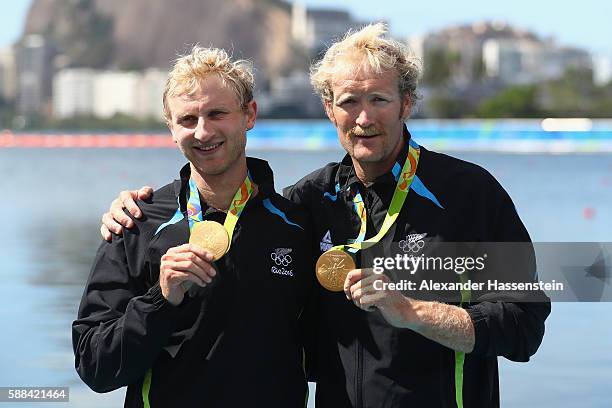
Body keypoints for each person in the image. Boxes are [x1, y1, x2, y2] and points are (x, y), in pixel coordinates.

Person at [100, 24, 550, 408]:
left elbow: (524, 326)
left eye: (380, 99)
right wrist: (137, 211)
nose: (364, 117)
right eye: (350, 101)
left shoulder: (470, 194)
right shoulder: (308, 202)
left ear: (407, 103)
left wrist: (413, 312)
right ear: (329, 109)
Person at [73, 46, 315, 407]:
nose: (203, 132)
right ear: (171, 126)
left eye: (217, 113)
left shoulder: (296, 226)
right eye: (188, 119)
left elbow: (330, 349)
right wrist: (160, 299)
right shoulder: (136, 223)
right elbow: (95, 366)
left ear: (249, 114)